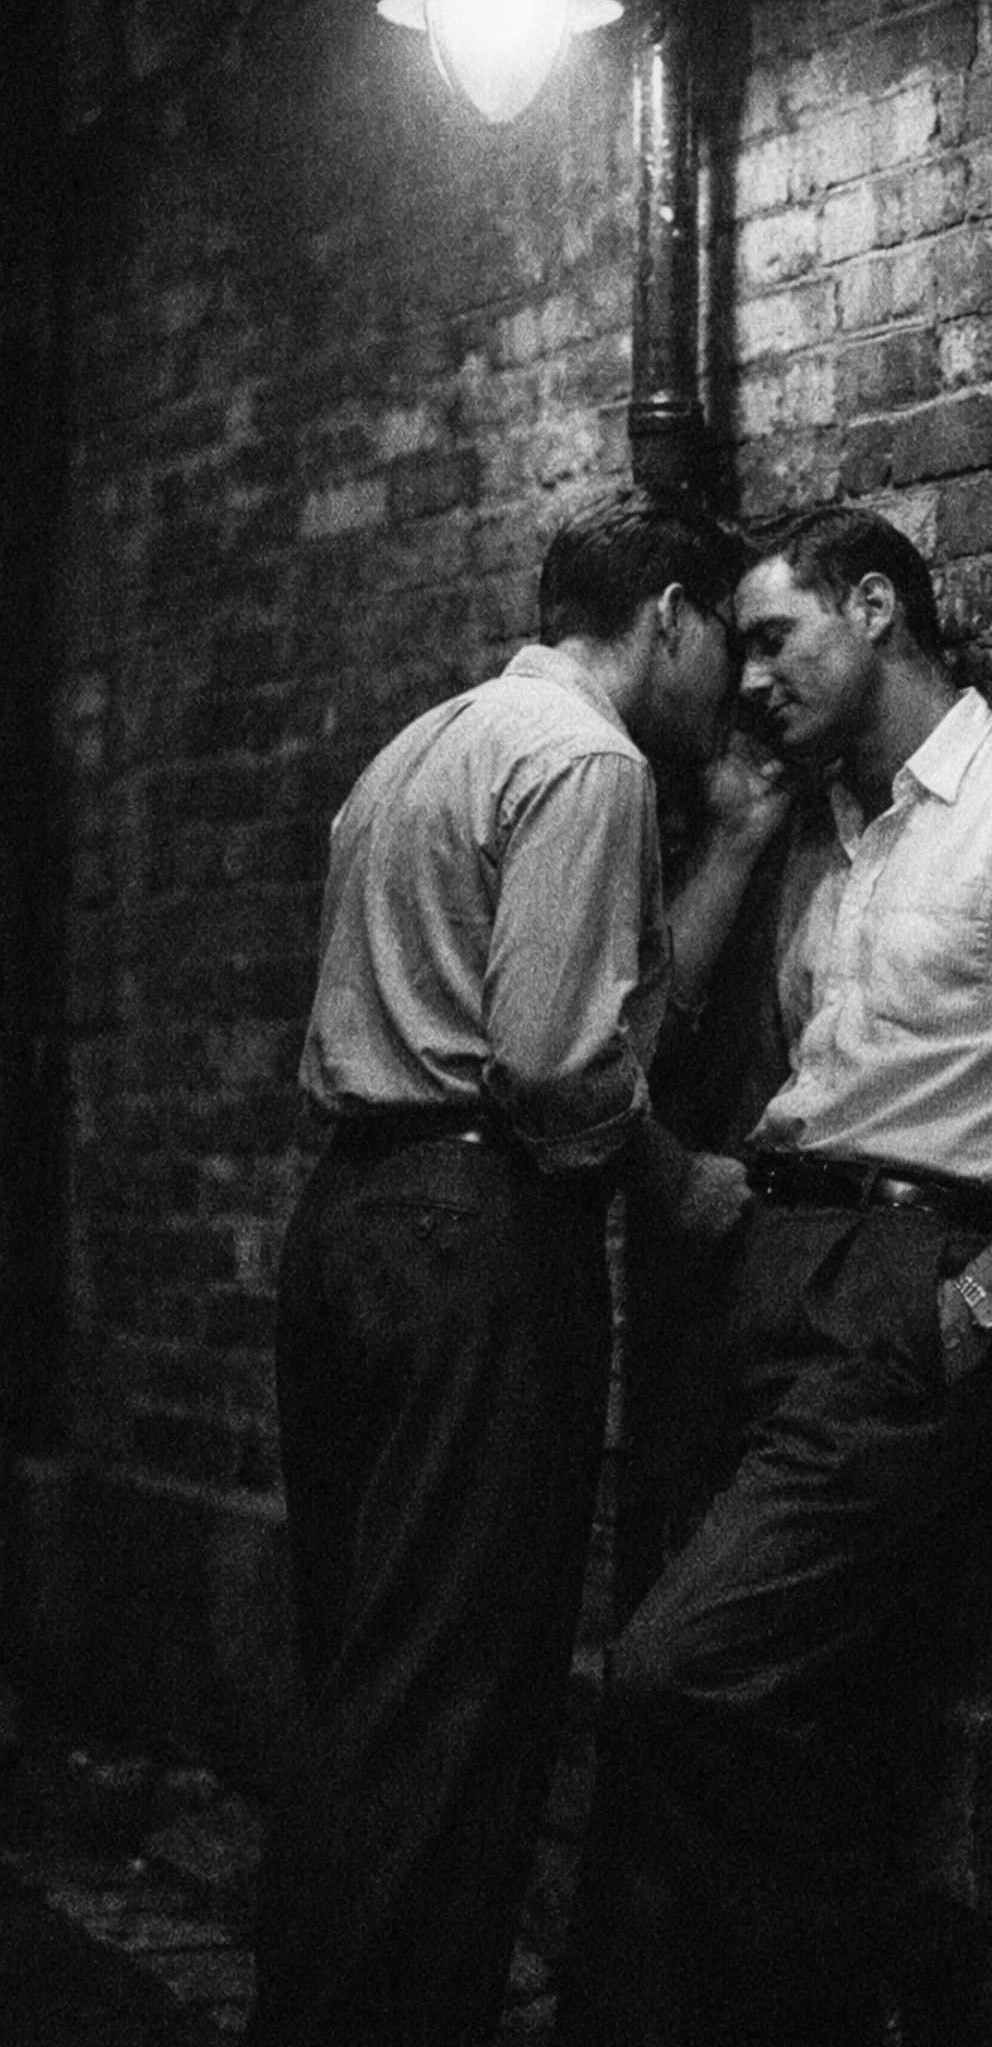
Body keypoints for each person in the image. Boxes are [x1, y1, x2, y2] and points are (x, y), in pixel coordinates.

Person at [553, 505, 992, 2047]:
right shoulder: (814, 841)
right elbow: (645, 1037)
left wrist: (985, 1299)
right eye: (737, 649)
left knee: (674, 1673)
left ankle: (900, 1953)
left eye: (774, 639)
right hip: (765, 1268)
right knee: (758, 1694)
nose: (746, 680)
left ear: (875, 609)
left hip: (910, 1276)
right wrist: (736, 838)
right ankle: (823, 1994)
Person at [244, 492, 763, 2047]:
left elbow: (572, 1005)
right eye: (727, 642)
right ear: (669, 616)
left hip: (350, 1222)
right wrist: (677, 1183)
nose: (736, 684)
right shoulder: (593, 763)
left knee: (365, 1678)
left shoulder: (422, 749)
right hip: (477, 1238)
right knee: (457, 1703)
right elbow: (551, 1065)